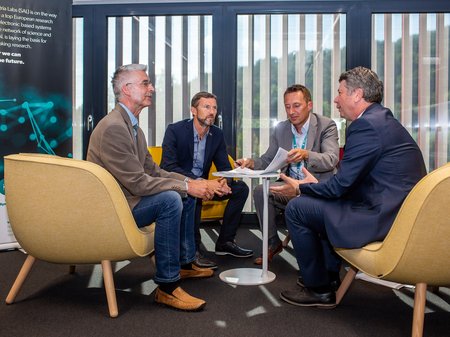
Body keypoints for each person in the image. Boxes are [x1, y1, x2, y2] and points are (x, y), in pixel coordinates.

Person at [272, 66, 427, 308]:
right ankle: (330, 277)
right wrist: (316, 185)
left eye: (340, 92)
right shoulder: (382, 120)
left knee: (298, 208)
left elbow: (340, 186)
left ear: (357, 94)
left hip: (383, 218)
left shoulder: (366, 126)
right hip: (397, 213)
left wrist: (302, 188)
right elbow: (351, 181)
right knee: (321, 204)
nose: (336, 99)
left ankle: (319, 288)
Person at [87, 64, 217, 312]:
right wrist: (188, 185)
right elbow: (138, 182)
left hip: (128, 200)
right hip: (114, 210)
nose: (152, 88)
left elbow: (154, 171)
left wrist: (192, 184)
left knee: (181, 194)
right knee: (171, 199)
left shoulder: (132, 126)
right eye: (145, 83)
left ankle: (185, 263)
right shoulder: (115, 127)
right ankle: (167, 288)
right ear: (127, 89)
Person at [235, 84, 340, 265]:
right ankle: (273, 242)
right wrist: (251, 163)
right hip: (289, 185)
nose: (291, 111)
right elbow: (268, 159)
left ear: (309, 105)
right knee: (261, 191)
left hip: (314, 188)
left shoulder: (326, 125)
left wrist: (307, 154)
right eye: (287, 106)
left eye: (297, 105)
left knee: (300, 203)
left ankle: (313, 261)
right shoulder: (282, 129)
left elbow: (331, 159)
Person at [161, 91, 252, 269]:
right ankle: (192, 251)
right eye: (206, 107)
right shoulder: (175, 130)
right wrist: (200, 182)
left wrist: (224, 181)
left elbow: (224, 166)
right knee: (193, 193)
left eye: (214, 108)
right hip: (182, 184)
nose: (212, 112)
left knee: (240, 189)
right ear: (193, 110)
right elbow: (168, 166)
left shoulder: (216, 134)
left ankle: (225, 242)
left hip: (205, 184)